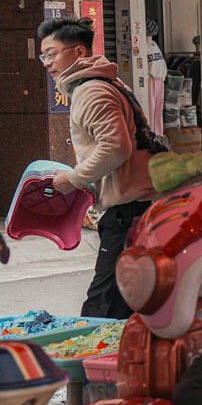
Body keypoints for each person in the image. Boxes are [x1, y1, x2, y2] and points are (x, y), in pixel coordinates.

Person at [37, 16, 157, 318]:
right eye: (44, 55)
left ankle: (93, 363)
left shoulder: (91, 91)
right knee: (132, 296)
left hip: (128, 211)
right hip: (141, 205)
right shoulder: (108, 82)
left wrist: (73, 179)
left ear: (78, 53)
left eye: (52, 54)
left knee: (103, 304)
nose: (47, 63)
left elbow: (116, 147)